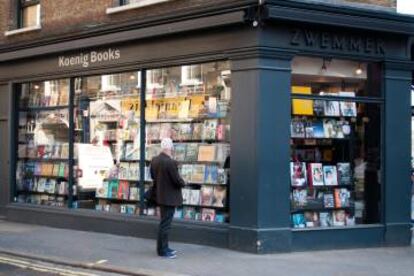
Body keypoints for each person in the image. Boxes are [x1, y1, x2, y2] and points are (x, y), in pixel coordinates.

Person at [150, 138, 185, 259]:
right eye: (172, 148)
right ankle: (163, 250)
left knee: (164, 223)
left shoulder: (154, 160)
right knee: (165, 225)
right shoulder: (170, 162)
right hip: (169, 198)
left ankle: (164, 247)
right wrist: (183, 182)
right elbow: (177, 180)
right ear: (170, 148)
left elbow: (153, 176)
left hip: (160, 196)